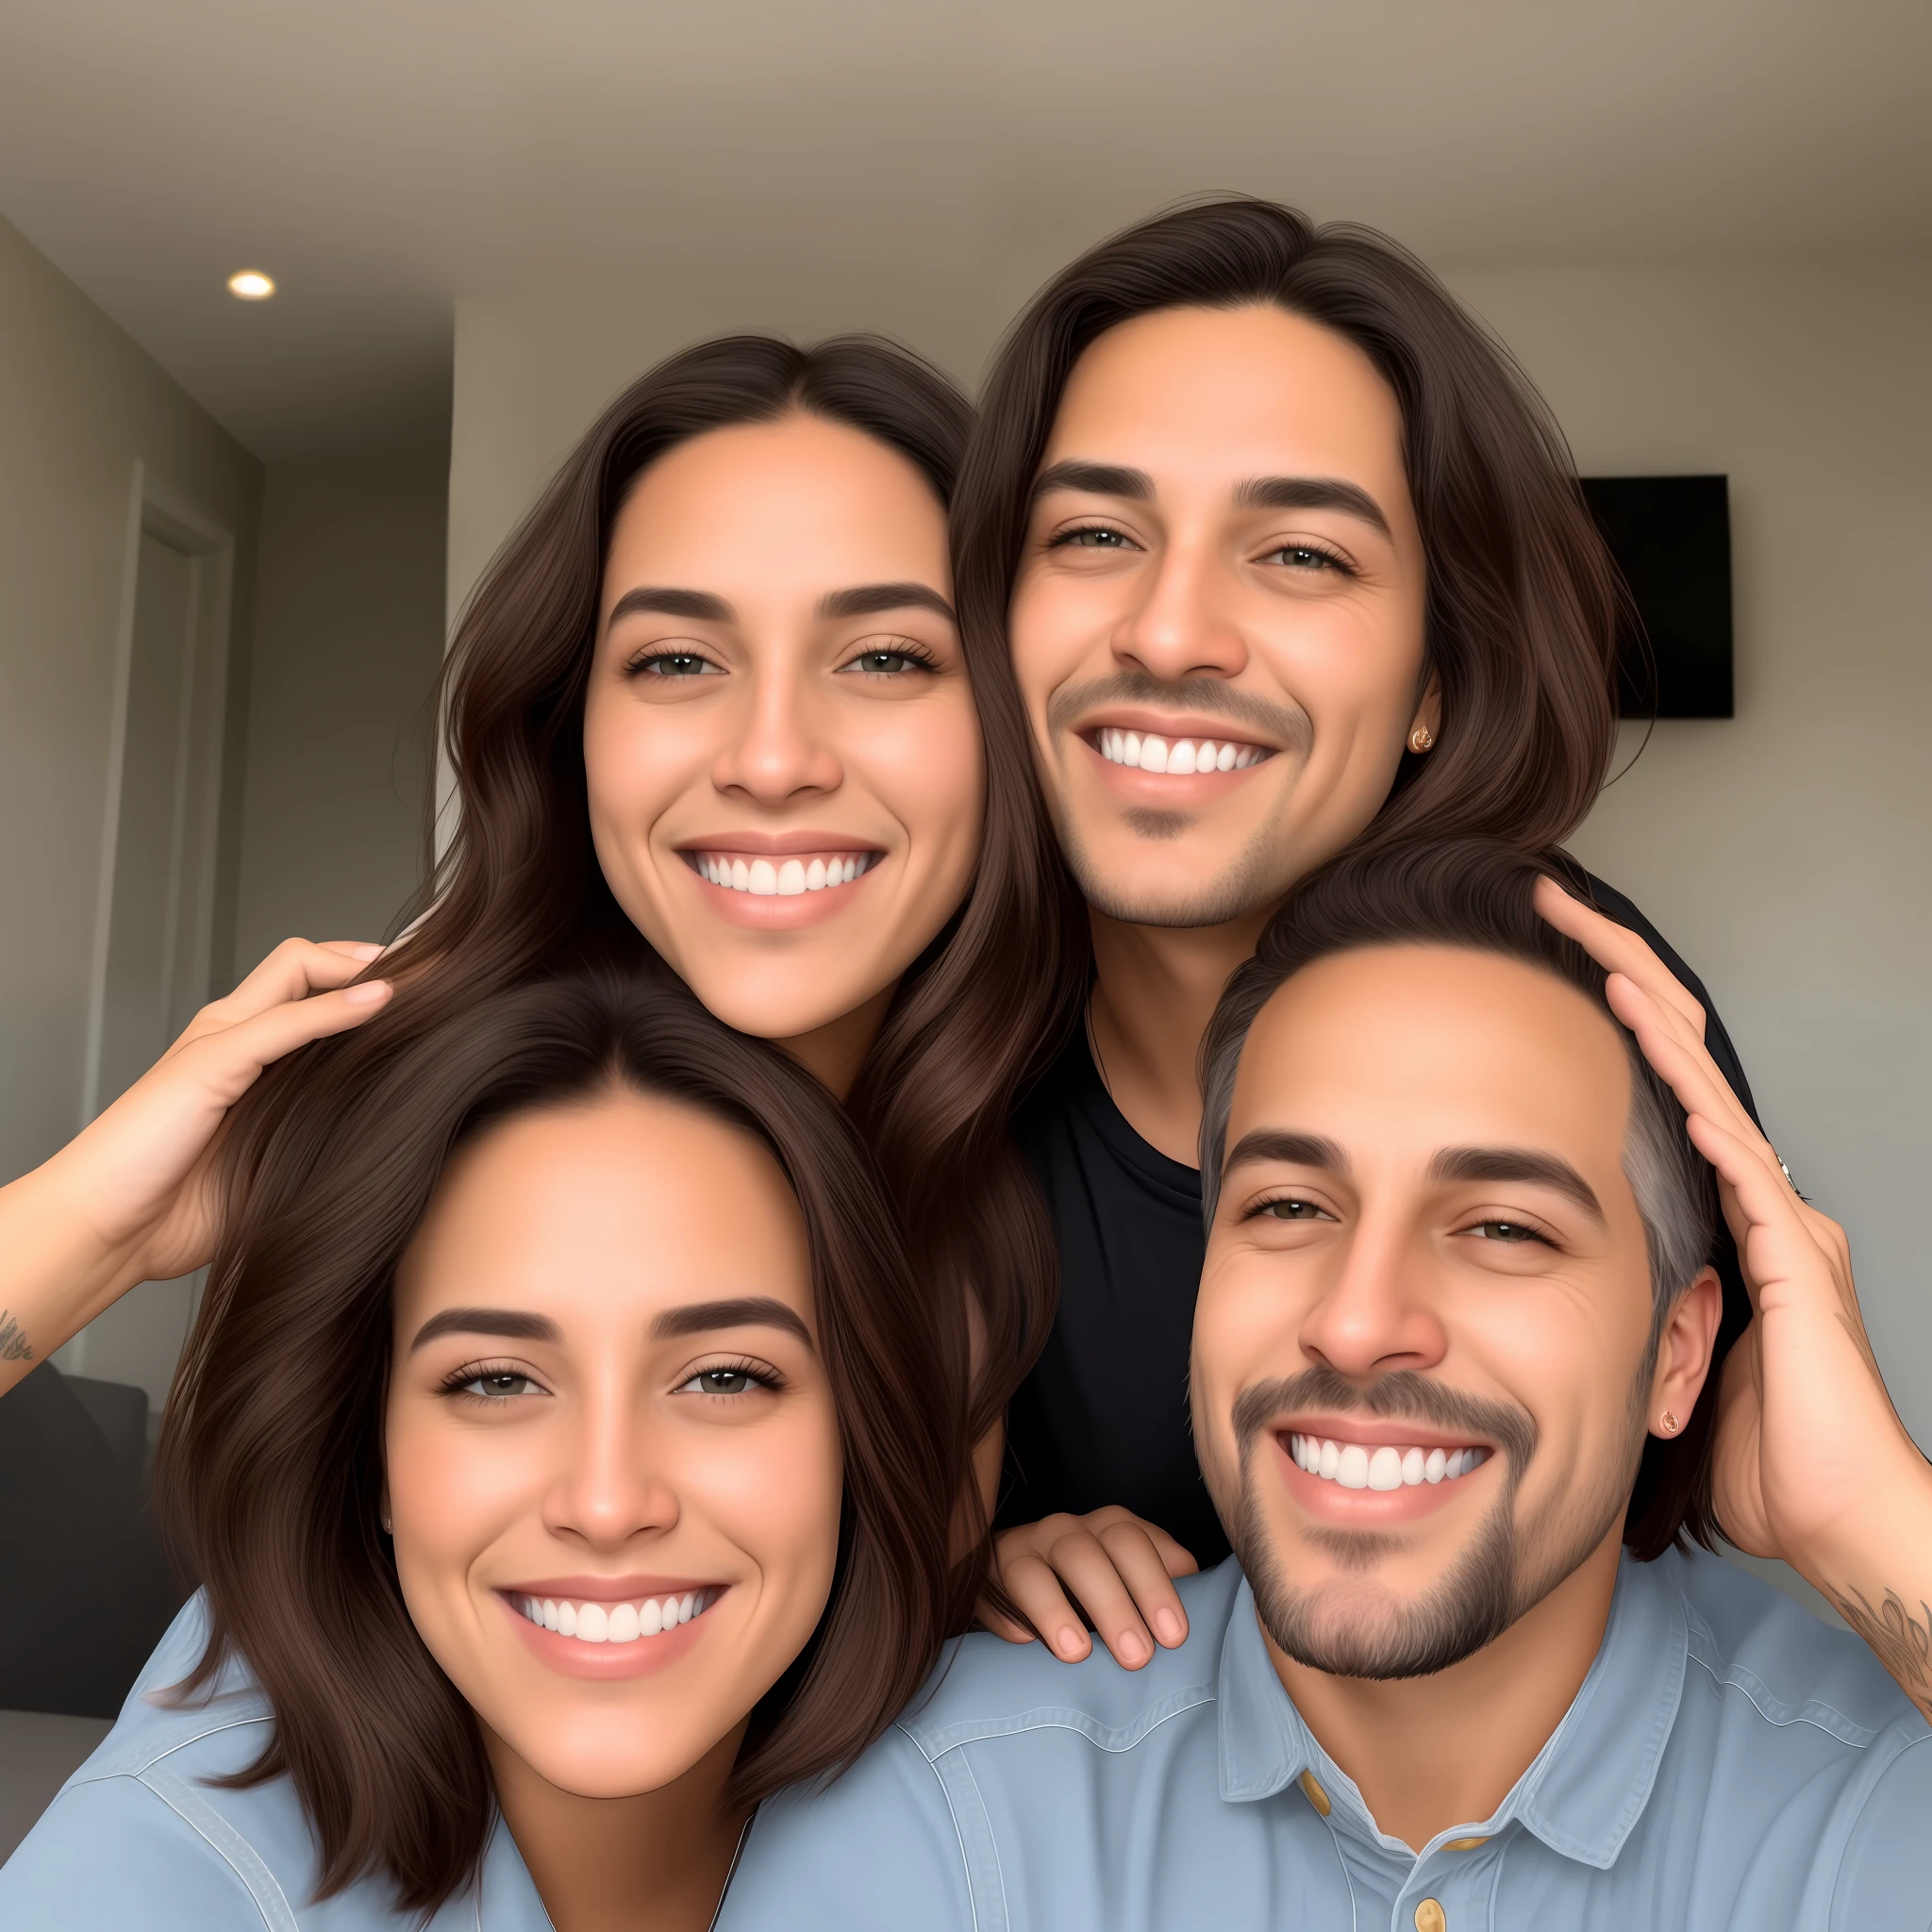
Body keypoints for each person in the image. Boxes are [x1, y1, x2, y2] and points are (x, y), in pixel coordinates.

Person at [718, 841, 1932, 1931]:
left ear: (1677, 1351)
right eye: (1289, 1206)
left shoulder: (1870, 1804)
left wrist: (1874, 1520)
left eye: (1502, 1226)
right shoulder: (946, 1805)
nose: (1355, 1324)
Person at [0, 334, 1076, 1489]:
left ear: (1015, 714)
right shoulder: (440, 1103)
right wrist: (109, 1226)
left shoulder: (1113, 1154)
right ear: (571, 724)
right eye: (673, 660)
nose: (771, 759)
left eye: (881, 656)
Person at [961, 198, 1766, 1667]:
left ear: (1432, 683)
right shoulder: (920, 1052)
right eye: (1092, 533)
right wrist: (949, 1587)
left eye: (1301, 557)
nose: (1168, 631)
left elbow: (1693, 1576)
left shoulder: (1588, 1012)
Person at [0, 971, 971, 1931]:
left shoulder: (1070, 1768)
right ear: (368, 1453)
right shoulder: (163, 1874)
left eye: (721, 1377)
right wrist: (92, 1231)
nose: (605, 1500)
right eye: (496, 1380)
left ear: (856, 1432)